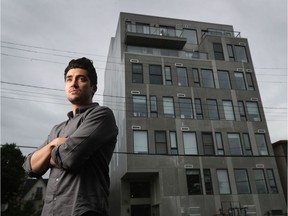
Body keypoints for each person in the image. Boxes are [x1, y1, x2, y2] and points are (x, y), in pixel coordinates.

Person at [23, 57, 118, 216]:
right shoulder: (57, 130)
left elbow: (69, 157)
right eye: (69, 79)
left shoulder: (102, 115)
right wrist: (56, 143)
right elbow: (30, 167)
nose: (73, 83)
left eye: (81, 79)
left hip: (83, 211)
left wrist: (48, 156)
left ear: (93, 88)